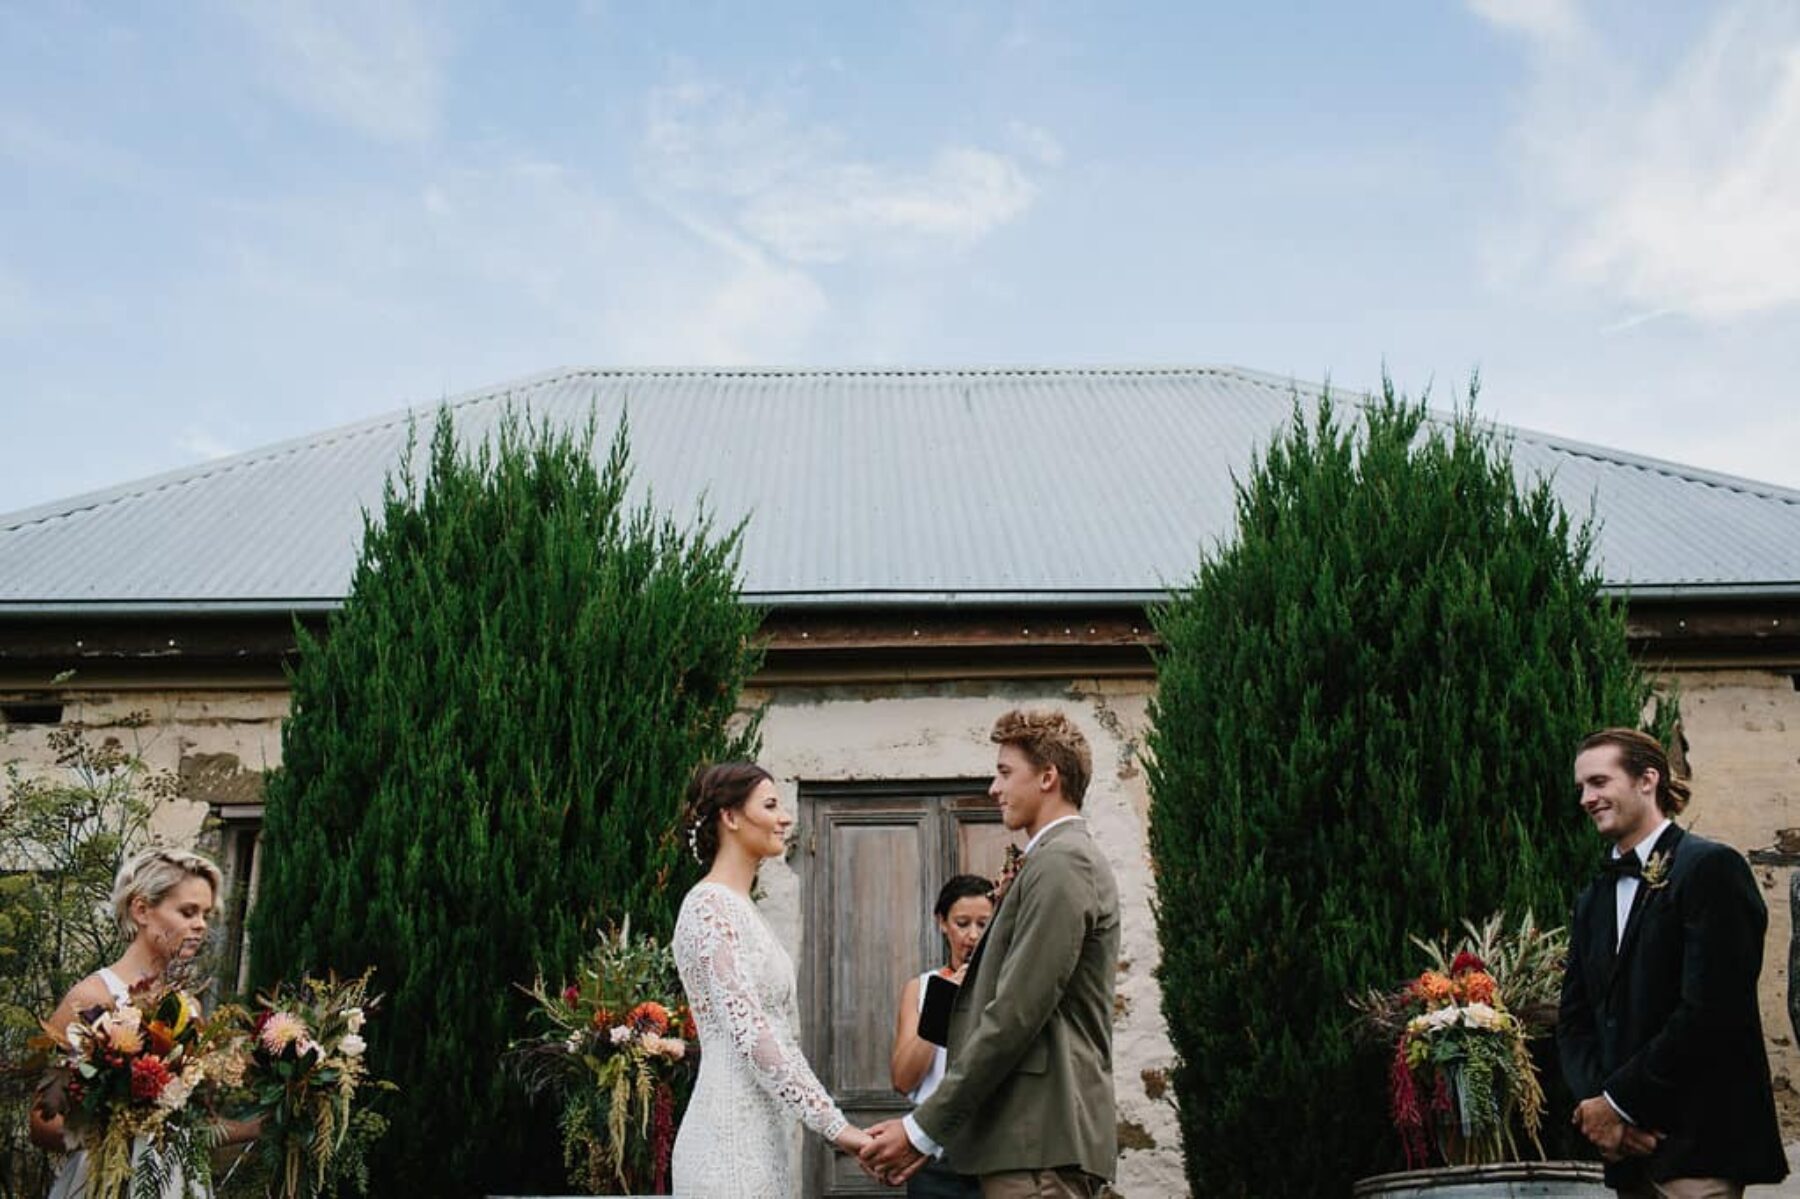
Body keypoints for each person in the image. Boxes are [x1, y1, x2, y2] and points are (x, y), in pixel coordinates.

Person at [862, 709, 1120, 1198]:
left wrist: (922, 1129)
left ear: (1048, 778)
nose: (993, 788)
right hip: (1023, 1144)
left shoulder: (1063, 863)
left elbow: (1016, 1012)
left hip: (1040, 1145)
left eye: (1005, 772)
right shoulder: (1050, 861)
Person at [1558, 728, 1788, 1198]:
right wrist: (1602, 1113)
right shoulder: (1592, 899)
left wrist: (1621, 1103)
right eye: (1581, 787)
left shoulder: (1710, 869)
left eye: (1599, 782)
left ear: (1647, 780)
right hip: (1625, 1155)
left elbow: (1711, 1010)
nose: (1587, 797)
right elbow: (1575, 1018)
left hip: (1696, 1144)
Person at [669, 762, 871, 1196]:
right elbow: (752, 1033)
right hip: (726, 1143)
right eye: (771, 805)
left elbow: (783, 1037)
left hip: (766, 1137)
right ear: (731, 817)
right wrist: (836, 1127)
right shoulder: (709, 908)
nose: (785, 818)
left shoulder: (746, 911)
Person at [31, 847, 257, 1199]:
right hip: (105, 1183)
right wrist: (118, 1126)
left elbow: (192, 1127)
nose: (200, 925)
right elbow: (41, 1125)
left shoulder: (189, 1008)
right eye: (188, 911)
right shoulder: (92, 997)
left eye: (206, 914)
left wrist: (264, 1126)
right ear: (141, 910)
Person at [888, 875, 995, 1199]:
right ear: (942, 923)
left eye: (983, 924)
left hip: (994, 1150)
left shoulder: (1007, 989)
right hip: (934, 1154)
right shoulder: (921, 988)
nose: (973, 935)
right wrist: (943, 1003)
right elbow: (904, 1079)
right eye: (962, 923)